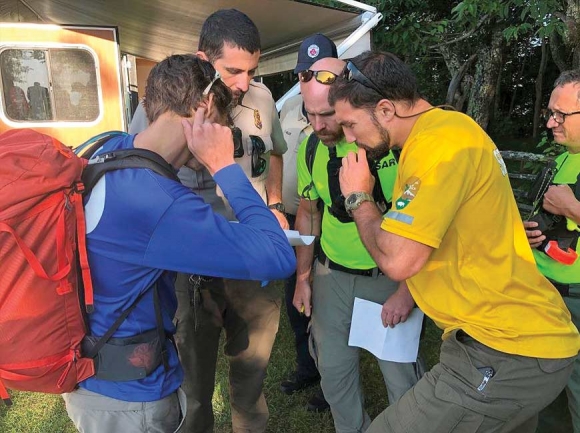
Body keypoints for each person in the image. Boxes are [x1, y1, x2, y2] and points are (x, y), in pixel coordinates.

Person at [328, 50, 580, 433]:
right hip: (518, 343)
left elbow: (397, 260)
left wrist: (358, 197)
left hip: (504, 346)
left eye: (349, 124)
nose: (348, 139)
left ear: (384, 110)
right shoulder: (444, 132)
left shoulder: (438, 145)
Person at [62, 54, 295, 433]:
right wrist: (223, 166)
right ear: (201, 110)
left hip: (91, 375)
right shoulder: (158, 202)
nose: (224, 132)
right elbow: (276, 254)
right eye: (220, 122)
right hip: (130, 399)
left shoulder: (107, 148)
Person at [130, 9, 288, 433]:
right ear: (204, 59)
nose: (243, 83)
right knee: (192, 378)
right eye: (233, 70)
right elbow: (141, 172)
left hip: (250, 255)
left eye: (252, 71)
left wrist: (274, 203)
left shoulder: (261, 98)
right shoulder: (165, 105)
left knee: (251, 370)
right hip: (190, 266)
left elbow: (275, 151)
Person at [292, 57, 422, 433]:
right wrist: (304, 275)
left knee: (403, 382)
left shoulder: (394, 147)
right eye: (309, 114)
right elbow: (309, 210)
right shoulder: (311, 148)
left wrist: (408, 291)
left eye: (330, 115)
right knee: (333, 373)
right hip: (332, 274)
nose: (320, 126)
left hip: (388, 279)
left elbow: (428, 229)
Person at [278, 33, 338, 412]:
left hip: (329, 221)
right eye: (303, 73)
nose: (309, 78)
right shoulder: (286, 110)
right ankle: (308, 366)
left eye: (318, 71)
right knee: (297, 299)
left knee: (328, 308)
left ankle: (334, 380)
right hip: (292, 215)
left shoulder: (348, 115)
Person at [525, 70, 580, 433]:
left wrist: (571, 208)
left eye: (561, 114)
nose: (550, 122)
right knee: (541, 386)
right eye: (550, 112)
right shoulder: (562, 159)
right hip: (546, 290)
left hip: (576, 299)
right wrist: (536, 234)